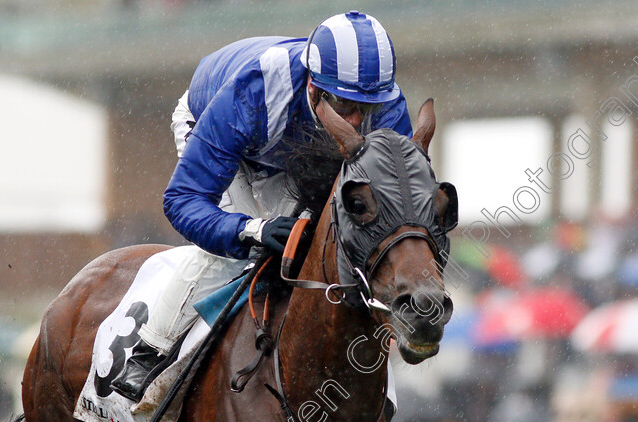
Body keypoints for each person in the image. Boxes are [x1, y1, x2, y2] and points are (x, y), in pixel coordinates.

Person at [110, 11, 413, 402]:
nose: (355, 121)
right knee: (246, 251)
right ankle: (151, 349)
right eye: (343, 105)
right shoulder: (254, 91)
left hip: (287, 152)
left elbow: (395, 215)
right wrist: (251, 230)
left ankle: (370, 379)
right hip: (220, 130)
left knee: (331, 242)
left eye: (365, 109)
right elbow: (183, 200)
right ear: (313, 86)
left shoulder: (386, 106)